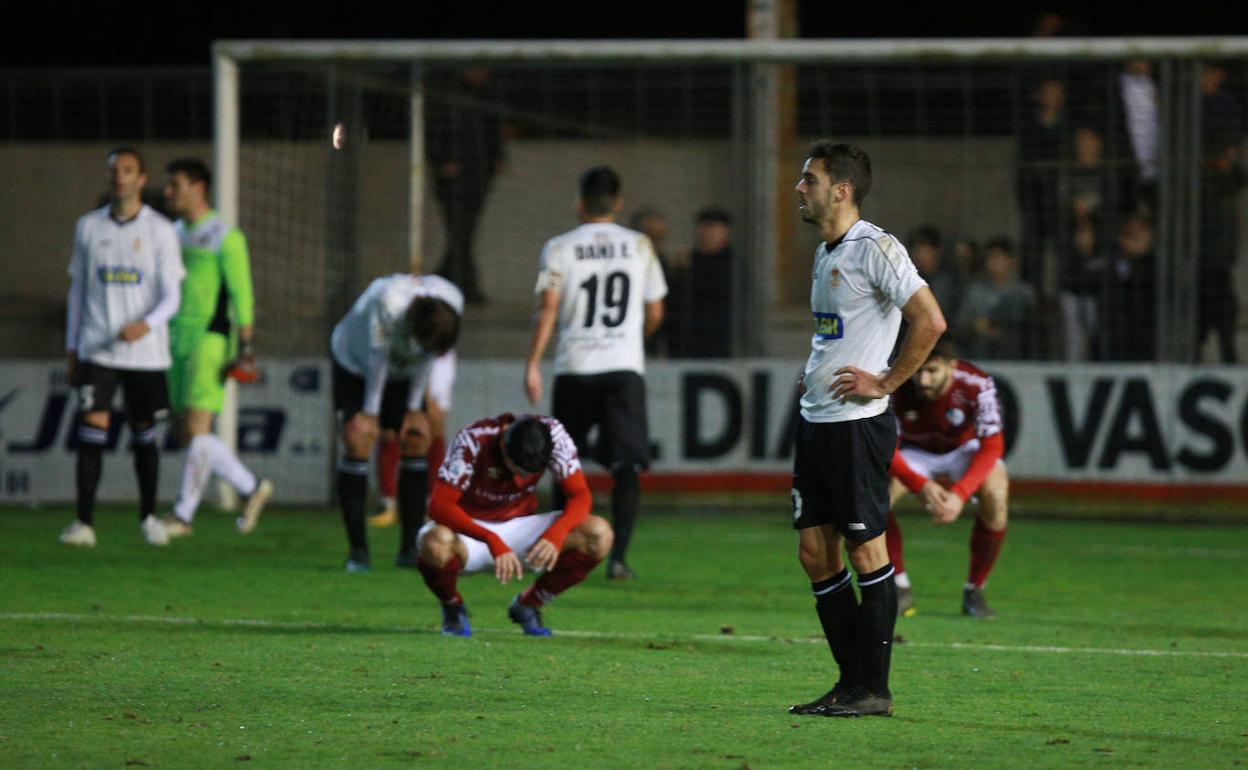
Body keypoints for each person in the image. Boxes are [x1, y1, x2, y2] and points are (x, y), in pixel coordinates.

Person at [787, 141, 946, 719]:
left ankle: (874, 689)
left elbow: (930, 320)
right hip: (816, 422)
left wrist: (885, 382)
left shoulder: (877, 248)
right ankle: (849, 682)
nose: (799, 189)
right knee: (814, 552)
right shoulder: (828, 251)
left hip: (856, 427)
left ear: (842, 189)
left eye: (809, 179)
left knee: (864, 548)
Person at [524, 166, 668, 580]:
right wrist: (630, 339)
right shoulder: (639, 245)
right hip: (623, 369)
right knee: (627, 465)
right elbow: (656, 310)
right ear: (618, 203)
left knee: (563, 462)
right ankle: (618, 557)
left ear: (580, 201)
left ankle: (559, 545)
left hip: (575, 368)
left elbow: (548, 308)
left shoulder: (559, 247)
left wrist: (533, 363)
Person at [59, 147, 185, 547]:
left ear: (142, 179)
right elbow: (78, 290)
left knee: (143, 434)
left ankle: (148, 518)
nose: (120, 177)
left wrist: (145, 325)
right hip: (97, 347)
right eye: (114, 170)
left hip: (145, 354)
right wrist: (72, 344)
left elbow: (172, 297)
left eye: (128, 170)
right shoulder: (88, 227)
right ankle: (84, 524)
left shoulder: (161, 230)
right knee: (90, 430)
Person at [416, 413, 613, 636]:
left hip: (520, 528)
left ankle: (529, 605)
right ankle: (452, 606)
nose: (522, 478)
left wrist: (556, 534)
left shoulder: (555, 436)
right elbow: (439, 506)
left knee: (599, 534)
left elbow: (580, 496)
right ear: (503, 446)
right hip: (469, 532)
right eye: (517, 468)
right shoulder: (474, 440)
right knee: (434, 543)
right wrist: (491, 539)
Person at [158, 158, 273, 539]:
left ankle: (182, 516)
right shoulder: (173, 233)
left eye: (176, 185)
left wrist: (246, 345)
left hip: (211, 340)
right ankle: (251, 487)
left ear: (199, 187)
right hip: (175, 341)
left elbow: (243, 293)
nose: (170, 193)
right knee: (189, 436)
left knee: (196, 427)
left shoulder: (225, 235)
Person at [330, 273, 463, 572]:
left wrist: (415, 409)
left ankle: (409, 550)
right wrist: (369, 413)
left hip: (403, 371)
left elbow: (429, 356)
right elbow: (378, 358)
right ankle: (358, 553)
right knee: (359, 438)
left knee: (416, 436)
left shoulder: (452, 300)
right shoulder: (386, 301)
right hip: (355, 365)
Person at [884, 337, 1008, 619]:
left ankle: (974, 590)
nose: (922, 380)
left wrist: (959, 494)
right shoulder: (894, 381)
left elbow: (992, 445)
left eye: (932, 371)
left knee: (997, 494)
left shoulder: (977, 384)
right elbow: (884, 447)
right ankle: (898, 587)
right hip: (912, 451)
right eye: (918, 371)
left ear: (952, 366)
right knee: (873, 499)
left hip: (962, 450)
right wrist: (921, 485)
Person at [427, 67, 505, 304]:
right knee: (460, 236)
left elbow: (493, 131)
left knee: (462, 237)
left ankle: (440, 284)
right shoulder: (449, 98)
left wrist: (496, 158)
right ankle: (457, 287)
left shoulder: (486, 98)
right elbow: (432, 133)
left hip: (477, 178)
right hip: (454, 181)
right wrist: (443, 161)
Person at [368, 350, 457, 529]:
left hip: (437, 353)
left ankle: (431, 503)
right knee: (389, 431)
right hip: (403, 357)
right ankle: (388, 504)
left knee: (432, 426)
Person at [667, 207, 735, 358]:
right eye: (702, 228)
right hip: (688, 341)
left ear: (726, 233)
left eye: (712, 228)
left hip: (722, 340)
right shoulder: (688, 262)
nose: (705, 234)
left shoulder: (734, 265)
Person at [953, 237, 1037, 360]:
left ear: (1011, 261)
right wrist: (974, 325)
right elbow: (960, 324)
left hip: (1016, 357)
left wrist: (1003, 329)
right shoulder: (975, 291)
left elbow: (1031, 329)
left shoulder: (1024, 292)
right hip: (980, 355)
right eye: (989, 257)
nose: (991, 262)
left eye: (997, 257)